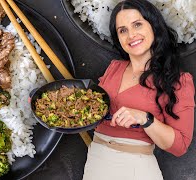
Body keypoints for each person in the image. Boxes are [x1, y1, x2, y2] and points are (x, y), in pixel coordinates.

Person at [82, 0, 195, 180]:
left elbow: (180, 145)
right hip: (95, 163)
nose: (131, 35)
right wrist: (51, 105)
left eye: (137, 24)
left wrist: (145, 118)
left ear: (153, 26)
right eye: (123, 30)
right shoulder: (114, 67)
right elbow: (88, 111)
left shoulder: (178, 81)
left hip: (135, 168)